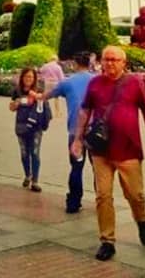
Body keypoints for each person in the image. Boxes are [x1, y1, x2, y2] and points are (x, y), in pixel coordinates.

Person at [71, 45, 145, 262]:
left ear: (123, 62)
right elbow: (85, 111)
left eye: (114, 59)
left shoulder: (134, 83)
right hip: (101, 150)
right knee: (103, 195)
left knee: (135, 195)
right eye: (106, 59)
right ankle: (107, 241)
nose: (109, 63)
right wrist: (77, 139)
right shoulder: (95, 83)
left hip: (128, 149)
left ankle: (142, 219)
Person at [45, 51, 94, 213]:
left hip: (75, 132)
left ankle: (73, 202)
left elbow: (48, 95)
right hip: (96, 131)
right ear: (89, 63)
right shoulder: (98, 80)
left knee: (76, 167)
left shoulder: (67, 82)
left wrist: (34, 96)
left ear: (74, 64)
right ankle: (103, 200)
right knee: (99, 169)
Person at [9, 67, 50, 193]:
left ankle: (35, 181)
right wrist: (16, 104)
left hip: (35, 127)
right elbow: (11, 107)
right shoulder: (17, 91)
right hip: (21, 126)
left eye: (31, 77)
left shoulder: (39, 90)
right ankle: (28, 175)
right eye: (26, 77)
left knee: (35, 153)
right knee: (24, 153)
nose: (29, 79)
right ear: (22, 78)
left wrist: (37, 97)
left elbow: (45, 102)